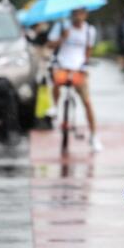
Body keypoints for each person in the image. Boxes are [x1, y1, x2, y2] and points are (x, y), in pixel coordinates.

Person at [47, 8, 103, 152]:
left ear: (85, 14)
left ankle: (94, 135)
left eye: (81, 13)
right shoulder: (61, 27)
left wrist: (84, 67)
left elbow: (88, 52)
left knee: (87, 102)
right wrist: (62, 38)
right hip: (62, 65)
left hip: (78, 69)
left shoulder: (89, 31)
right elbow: (50, 45)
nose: (78, 16)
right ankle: (54, 107)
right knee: (56, 81)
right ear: (71, 14)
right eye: (75, 13)